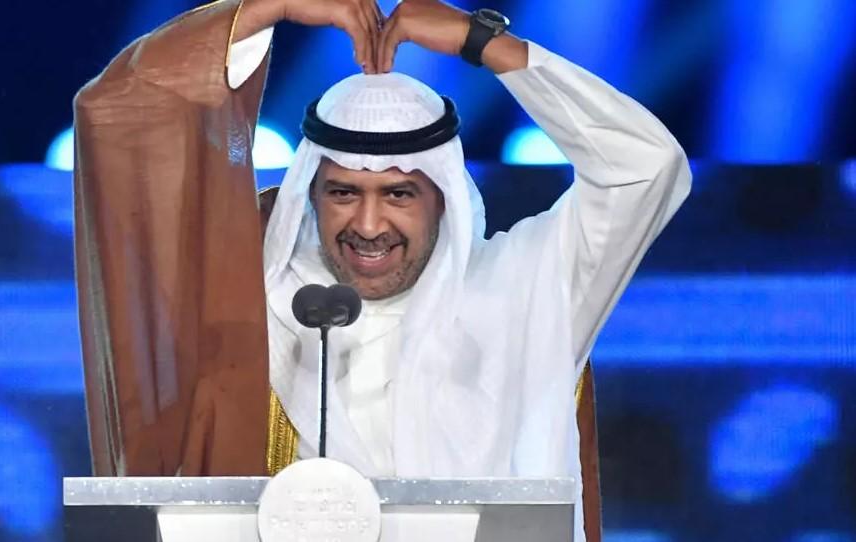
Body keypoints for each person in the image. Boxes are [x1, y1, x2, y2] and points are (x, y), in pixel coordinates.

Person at [74, 1, 691, 540]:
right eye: (343, 193)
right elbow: (121, 116)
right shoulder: (257, 293)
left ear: (443, 196)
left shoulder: (528, 288)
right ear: (309, 193)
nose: (368, 226)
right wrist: (268, 7)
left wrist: (483, 43)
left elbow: (646, 166)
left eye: (398, 195)